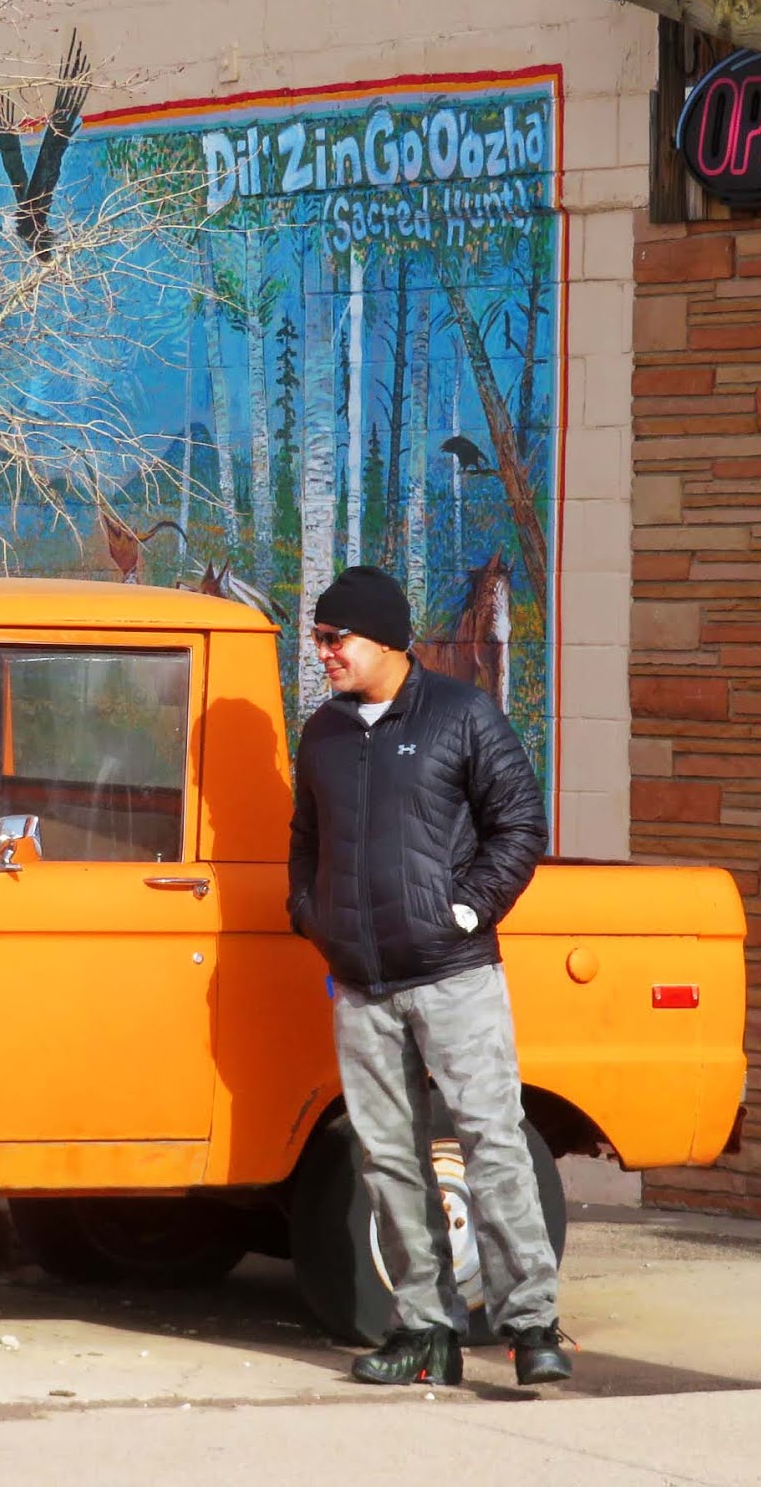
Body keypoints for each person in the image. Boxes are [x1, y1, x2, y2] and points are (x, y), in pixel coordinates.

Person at [285, 565, 569, 1388]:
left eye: (336, 638)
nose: (324, 653)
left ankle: (532, 1326)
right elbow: (305, 838)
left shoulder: (461, 715)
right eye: (319, 638)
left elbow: (519, 825)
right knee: (385, 1156)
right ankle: (426, 1331)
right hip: (362, 985)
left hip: (453, 975)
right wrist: (314, 916)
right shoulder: (325, 734)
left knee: (491, 1140)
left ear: (384, 639)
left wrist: (469, 910)